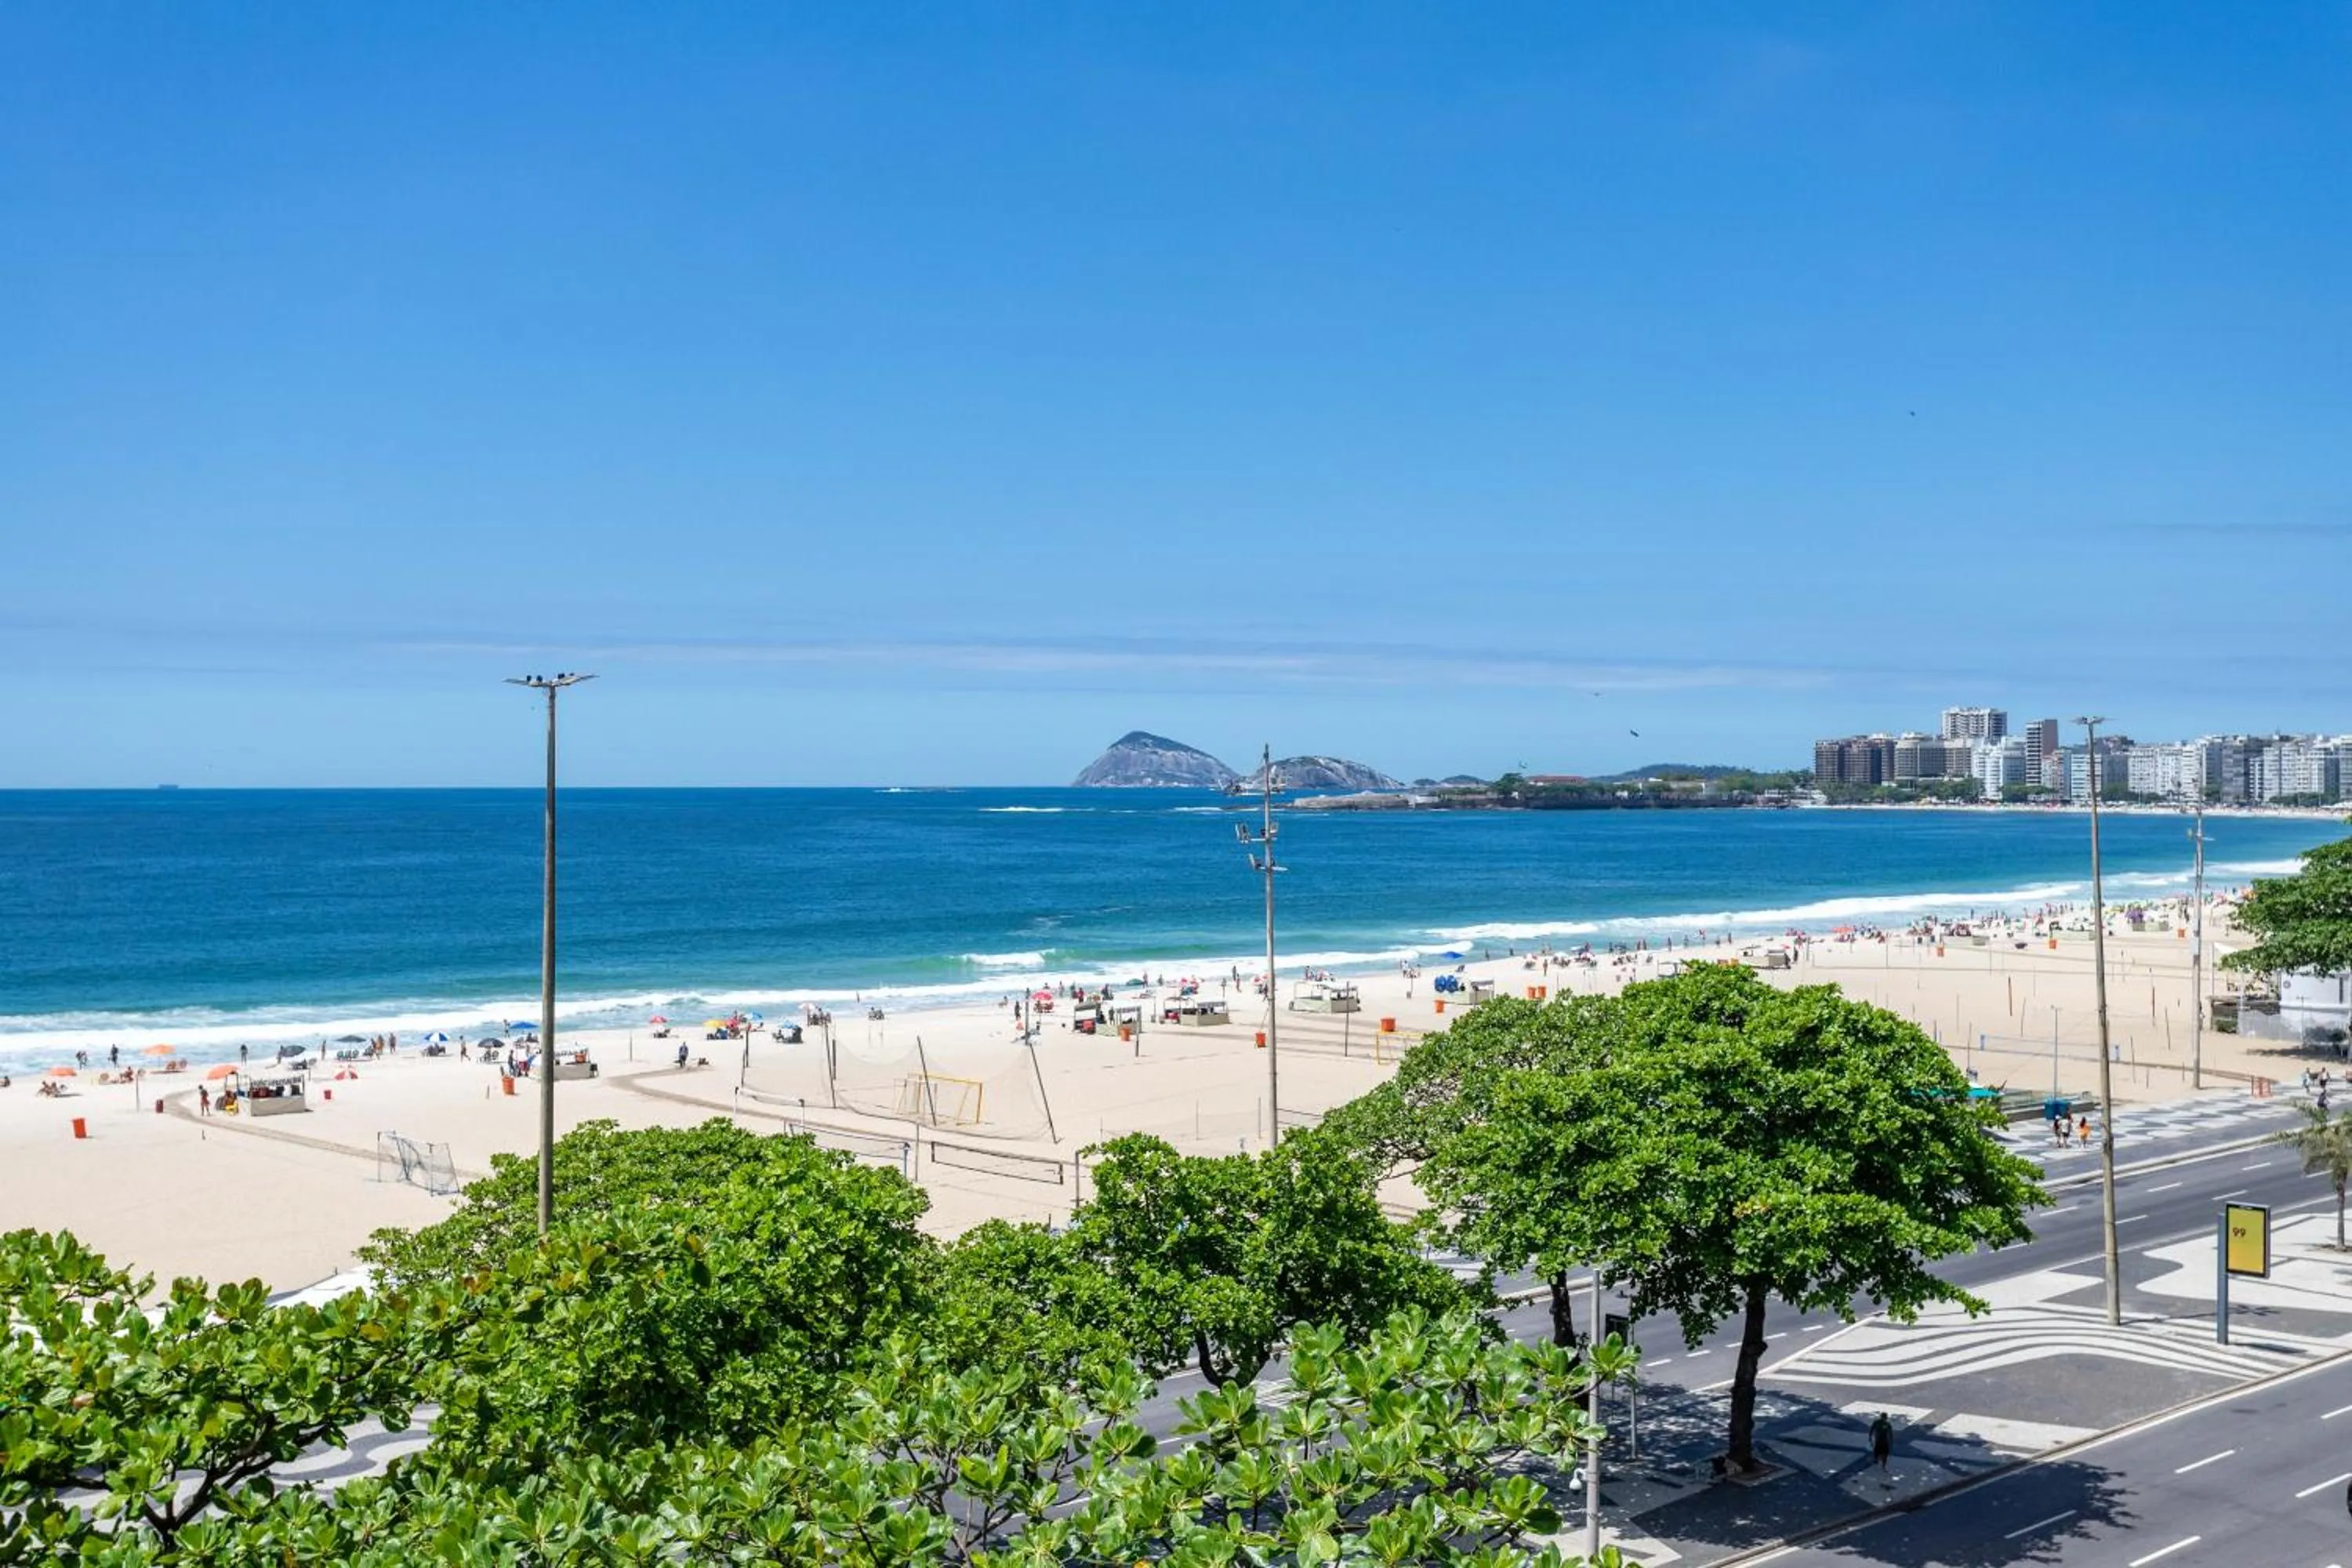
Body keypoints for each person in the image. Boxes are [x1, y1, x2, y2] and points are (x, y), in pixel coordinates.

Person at [1868, 1412, 1893, 1481]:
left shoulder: (1879, 1423)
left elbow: (1871, 1430)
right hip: (1881, 1441)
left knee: (1880, 1452)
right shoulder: (1886, 1424)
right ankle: (1882, 1464)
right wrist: (1891, 1441)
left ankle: (1879, 1462)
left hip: (1880, 1440)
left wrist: (1870, 1437)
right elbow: (1890, 1433)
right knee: (1883, 1453)